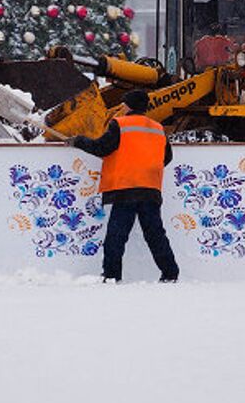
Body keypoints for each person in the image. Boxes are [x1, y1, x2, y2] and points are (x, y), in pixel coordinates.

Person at [66, 90, 179, 283]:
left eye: (124, 103)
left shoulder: (120, 124)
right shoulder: (158, 128)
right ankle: (170, 274)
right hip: (150, 189)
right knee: (155, 235)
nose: (122, 107)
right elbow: (166, 157)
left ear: (130, 106)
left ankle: (111, 275)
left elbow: (102, 147)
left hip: (126, 188)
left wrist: (78, 141)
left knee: (116, 237)